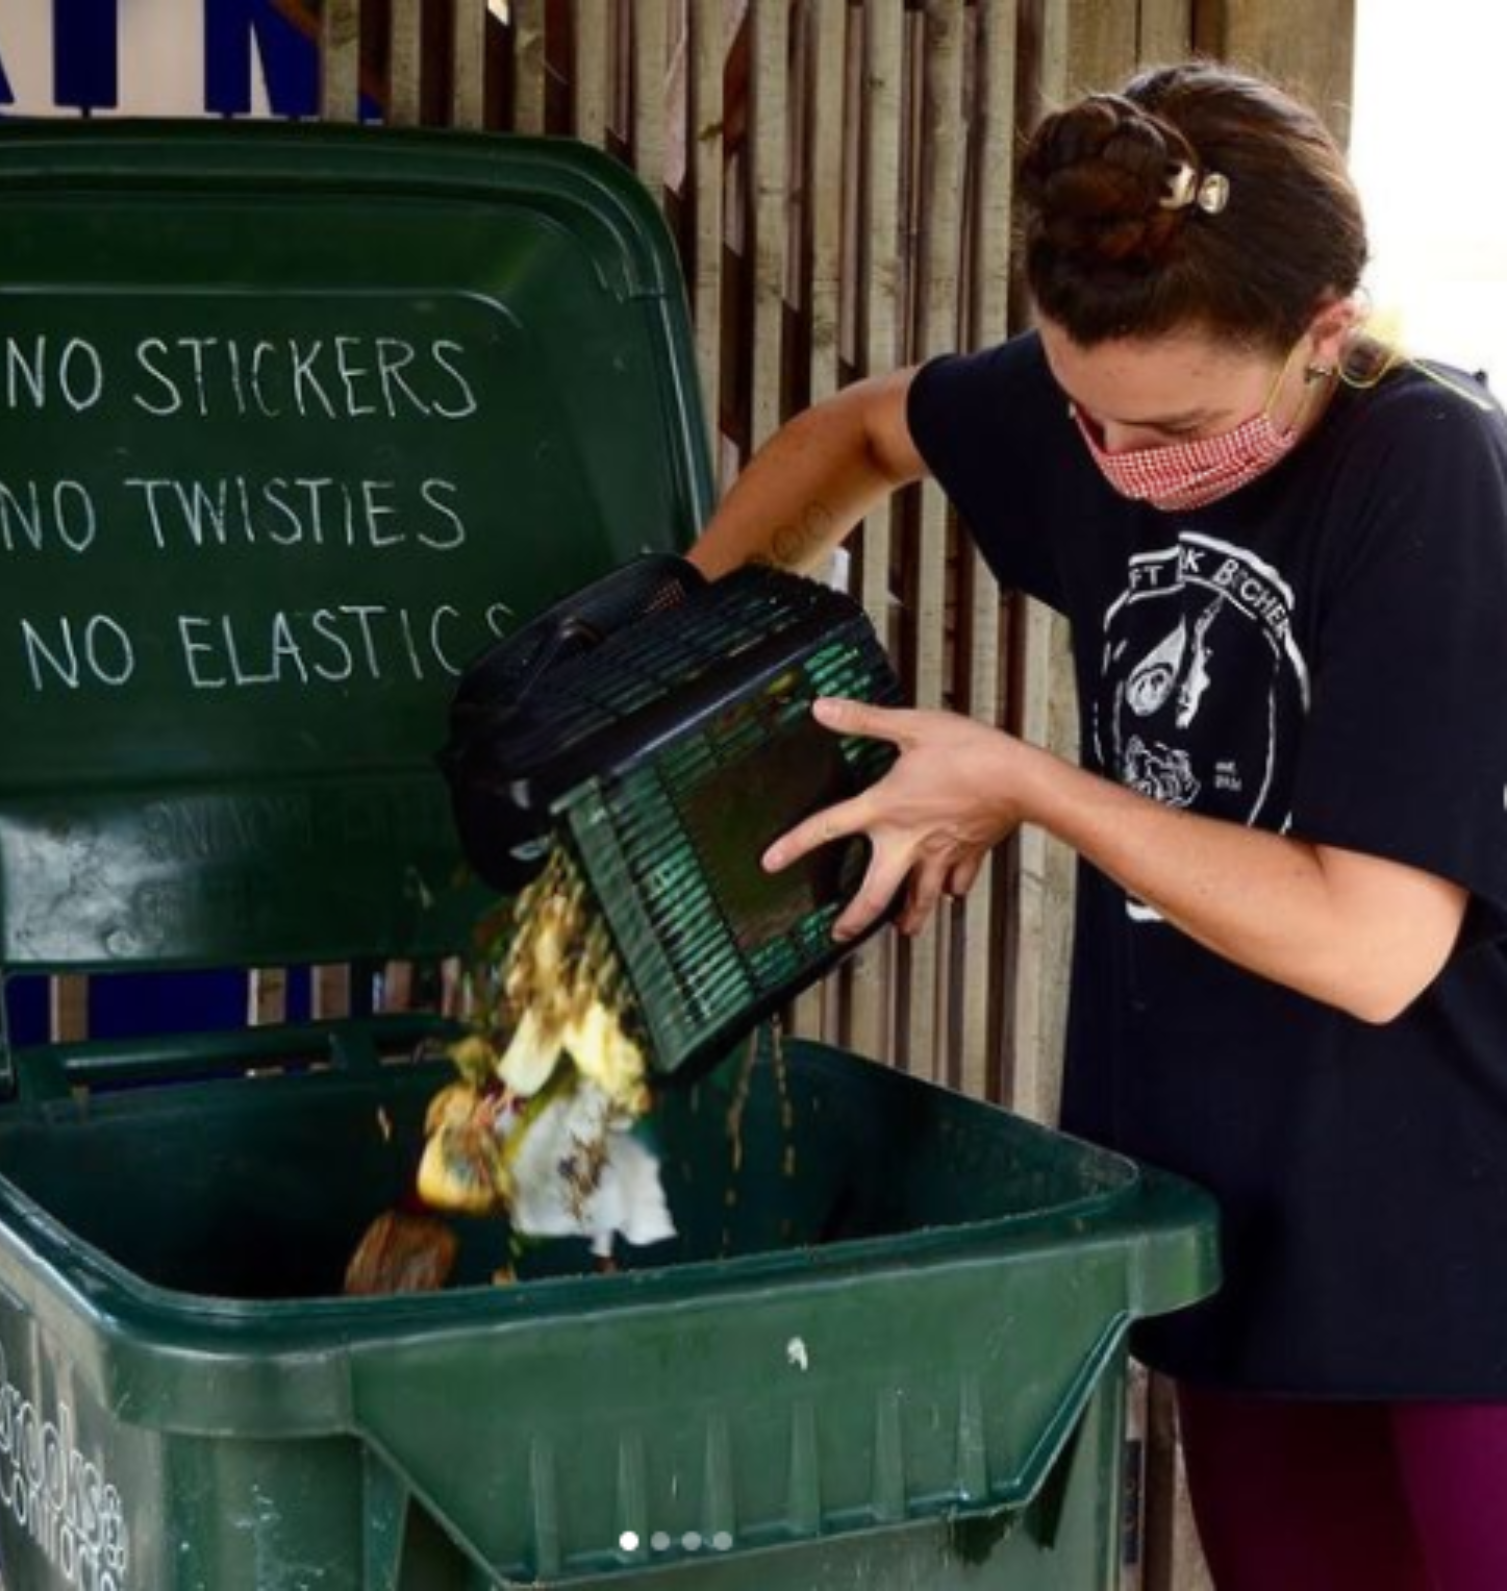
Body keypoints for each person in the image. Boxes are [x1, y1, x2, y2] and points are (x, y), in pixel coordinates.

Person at [685, 60, 1507, 1591]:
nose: (1126, 467)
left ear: (1324, 330)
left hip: (1458, 1225)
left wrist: (1024, 782)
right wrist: (683, 654)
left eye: (1176, 425)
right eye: (1086, 418)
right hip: (1237, 1219)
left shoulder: (1428, 468)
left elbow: (1374, 944)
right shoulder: (1094, 404)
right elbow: (860, 435)